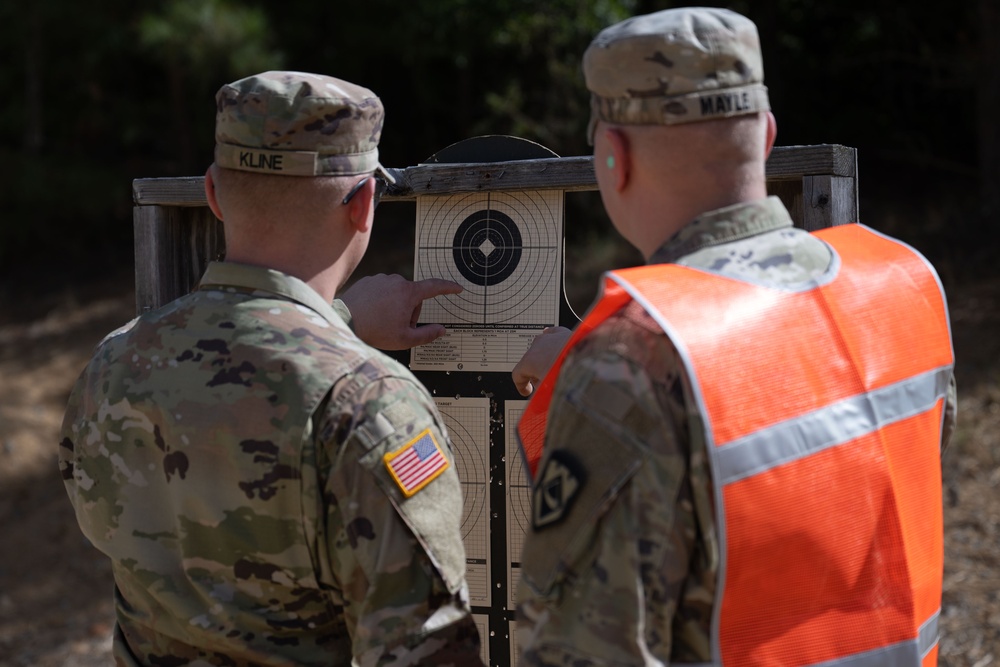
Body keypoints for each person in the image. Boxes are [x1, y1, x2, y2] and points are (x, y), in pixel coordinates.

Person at [513, 8, 957, 666]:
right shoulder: (901, 283)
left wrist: (600, 379)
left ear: (614, 154)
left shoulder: (633, 358)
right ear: (769, 132)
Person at [58, 70, 485, 666]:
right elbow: (426, 648)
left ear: (212, 191)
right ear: (364, 203)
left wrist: (338, 322)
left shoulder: (114, 363)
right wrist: (337, 339)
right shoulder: (369, 403)